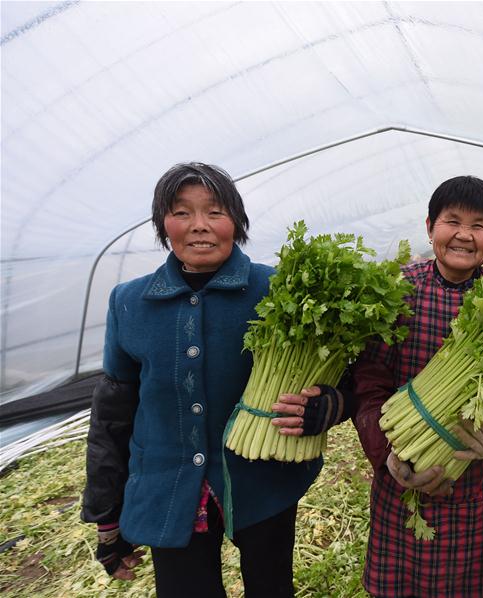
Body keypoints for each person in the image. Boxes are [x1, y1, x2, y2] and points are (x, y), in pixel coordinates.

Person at [80, 162, 345, 597]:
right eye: (182, 212)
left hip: (264, 479)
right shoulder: (129, 302)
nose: (199, 226)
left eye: (215, 212)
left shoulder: (281, 289)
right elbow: (112, 414)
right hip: (168, 483)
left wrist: (328, 406)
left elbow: (343, 376)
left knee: (271, 586)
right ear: (162, 224)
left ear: (237, 222)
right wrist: (107, 513)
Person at [349, 175, 483, 597]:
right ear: (429, 227)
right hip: (401, 473)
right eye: (451, 220)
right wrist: (387, 456)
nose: (463, 234)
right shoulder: (398, 291)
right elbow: (369, 383)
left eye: (478, 225)